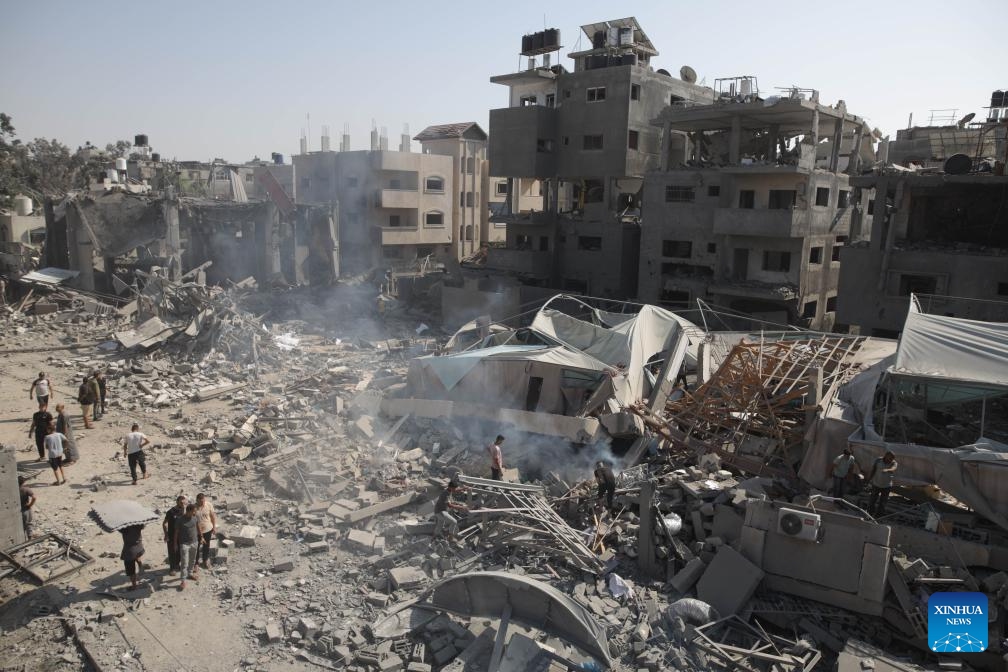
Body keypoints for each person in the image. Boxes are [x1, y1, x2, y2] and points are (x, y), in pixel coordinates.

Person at [433, 475, 469, 539]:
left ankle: (435, 536)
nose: (455, 489)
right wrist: (461, 507)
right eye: (454, 488)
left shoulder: (449, 490)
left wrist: (464, 488)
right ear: (451, 488)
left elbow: (455, 490)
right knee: (454, 522)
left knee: (440, 524)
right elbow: (450, 505)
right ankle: (450, 537)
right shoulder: (446, 494)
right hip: (441, 511)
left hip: (438, 510)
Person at [174, 504, 200, 590]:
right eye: (194, 511)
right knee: (184, 562)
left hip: (194, 542)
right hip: (184, 544)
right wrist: (175, 544)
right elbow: (176, 533)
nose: (195, 512)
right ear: (189, 511)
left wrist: (202, 537)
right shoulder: (180, 520)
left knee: (192, 560)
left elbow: (198, 527)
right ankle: (183, 580)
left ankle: (190, 573)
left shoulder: (195, 517)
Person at [867, 451, 898, 517]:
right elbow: (873, 470)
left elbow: (894, 468)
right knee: (872, 501)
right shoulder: (878, 460)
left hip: (887, 486)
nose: (891, 460)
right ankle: (869, 515)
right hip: (876, 484)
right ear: (886, 456)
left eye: (892, 458)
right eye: (890, 458)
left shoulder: (894, 462)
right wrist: (869, 479)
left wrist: (887, 470)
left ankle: (878, 517)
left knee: (883, 503)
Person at [163, 495, 188, 572]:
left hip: (181, 536)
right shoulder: (170, 512)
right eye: (181, 502)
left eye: (184, 503)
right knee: (172, 552)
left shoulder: (184, 511)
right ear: (177, 502)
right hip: (171, 535)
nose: (182, 504)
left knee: (180, 552)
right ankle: (172, 568)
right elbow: (164, 523)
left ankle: (177, 565)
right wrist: (166, 534)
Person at [193, 493, 216, 569]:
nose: (202, 503)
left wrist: (214, 527)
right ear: (197, 500)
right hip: (196, 531)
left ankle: (205, 560)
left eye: (203, 501)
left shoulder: (208, 505)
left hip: (208, 529)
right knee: (196, 546)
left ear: (204, 499)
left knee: (206, 545)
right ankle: (196, 563)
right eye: (200, 501)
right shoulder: (193, 507)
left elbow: (212, 516)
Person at [119, 524, 145, 590]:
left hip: (129, 551)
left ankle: (134, 586)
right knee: (137, 556)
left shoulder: (124, 528)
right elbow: (143, 526)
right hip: (139, 547)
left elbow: (117, 528)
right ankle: (140, 564)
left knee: (130, 570)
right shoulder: (138, 524)